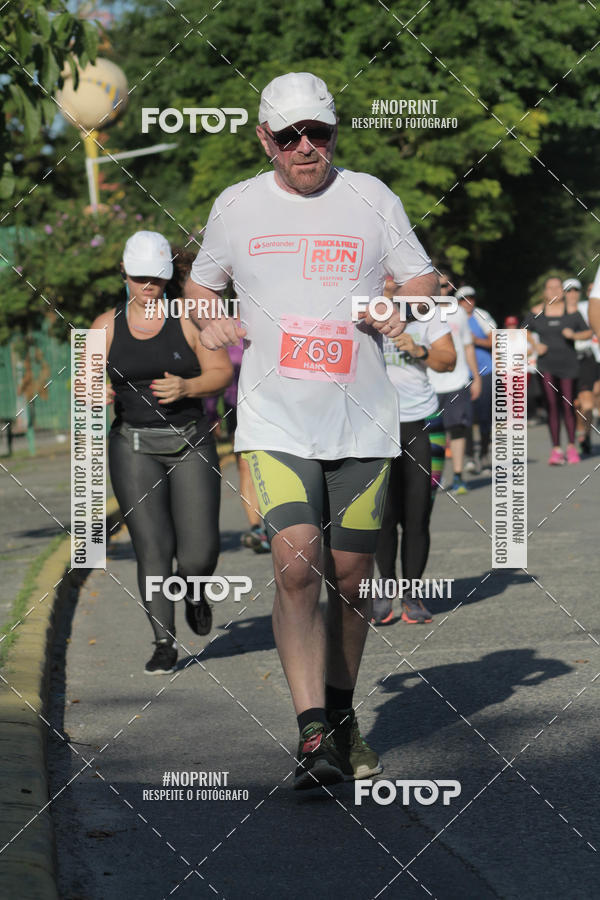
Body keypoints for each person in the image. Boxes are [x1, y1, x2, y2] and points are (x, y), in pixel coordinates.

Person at [184, 72, 438, 789]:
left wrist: (402, 311)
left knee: (352, 580)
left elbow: (421, 279)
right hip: (273, 418)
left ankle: (342, 710)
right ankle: (312, 737)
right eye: (289, 135)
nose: (305, 148)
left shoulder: (372, 197)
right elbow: (201, 285)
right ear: (264, 138)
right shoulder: (235, 206)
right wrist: (211, 319)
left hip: (361, 422)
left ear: (333, 133)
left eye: (318, 133)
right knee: (296, 562)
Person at [92, 231, 233, 674]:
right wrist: (97, 394)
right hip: (132, 444)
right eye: (138, 277)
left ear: (168, 275)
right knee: (152, 549)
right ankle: (163, 643)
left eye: (155, 277)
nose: (147, 284)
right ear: (124, 274)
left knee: (198, 553)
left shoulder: (189, 318)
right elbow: (85, 384)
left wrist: (189, 386)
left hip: (191, 441)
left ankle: (195, 588)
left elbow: (222, 370)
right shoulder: (105, 326)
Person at [373, 283, 456, 625]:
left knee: (418, 514)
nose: (390, 282)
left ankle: (412, 594)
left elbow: (448, 361)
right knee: (382, 515)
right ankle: (385, 591)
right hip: (374, 425)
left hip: (422, 423)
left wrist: (420, 351)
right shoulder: (362, 312)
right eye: (385, 274)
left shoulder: (427, 313)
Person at [523, 275, 591, 464]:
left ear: (562, 291)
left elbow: (588, 332)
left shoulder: (572, 312)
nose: (554, 291)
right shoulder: (536, 311)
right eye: (550, 288)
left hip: (568, 365)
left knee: (568, 405)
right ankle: (556, 449)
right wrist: (535, 346)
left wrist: (574, 335)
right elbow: (523, 329)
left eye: (557, 288)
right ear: (544, 292)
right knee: (552, 405)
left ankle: (571, 446)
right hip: (546, 365)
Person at [427, 296, 482, 494]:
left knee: (457, 427)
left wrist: (475, 376)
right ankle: (435, 477)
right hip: (429, 383)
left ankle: (458, 475)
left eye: (444, 287)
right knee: (432, 433)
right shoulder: (418, 311)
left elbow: (468, 346)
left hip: (457, 380)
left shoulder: (458, 312)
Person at [456, 286, 496, 475]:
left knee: (484, 416)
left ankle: (484, 455)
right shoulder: (453, 317)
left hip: (486, 371)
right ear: (457, 302)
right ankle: (471, 457)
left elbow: (494, 340)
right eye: (463, 299)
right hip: (463, 374)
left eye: (471, 298)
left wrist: (474, 341)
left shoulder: (481, 315)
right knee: (466, 417)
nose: (468, 302)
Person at [563, 278, 598, 455]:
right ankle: (581, 431)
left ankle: (586, 434)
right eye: (568, 291)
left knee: (588, 403)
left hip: (586, 358)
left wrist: (574, 336)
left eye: (575, 290)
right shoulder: (557, 312)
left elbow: (591, 331)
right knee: (576, 404)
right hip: (565, 361)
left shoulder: (587, 308)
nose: (572, 294)